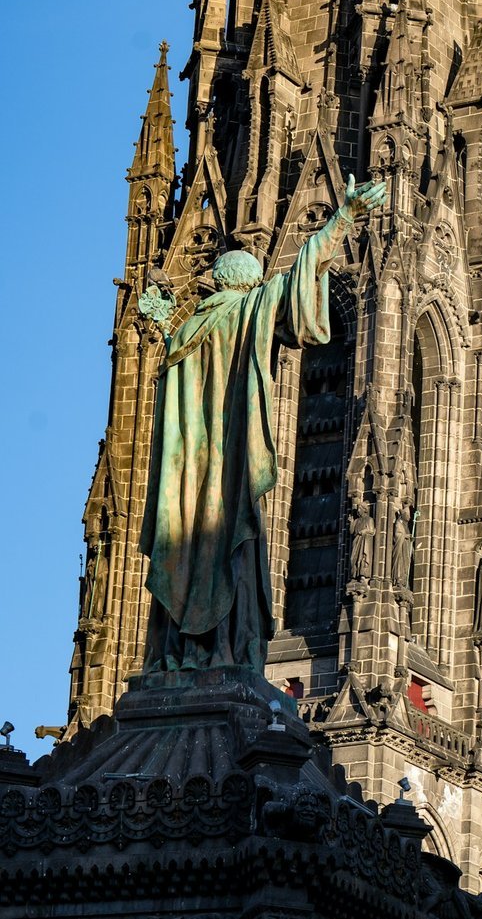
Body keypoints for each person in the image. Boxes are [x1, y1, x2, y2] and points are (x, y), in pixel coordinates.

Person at [139, 175, 385, 676]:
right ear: (249, 286)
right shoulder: (246, 311)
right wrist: (343, 216)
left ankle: (181, 650)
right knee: (234, 552)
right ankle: (227, 647)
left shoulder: (186, 333)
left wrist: (162, 325)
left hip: (186, 486)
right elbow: (302, 273)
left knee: (193, 551)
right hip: (226, 479)